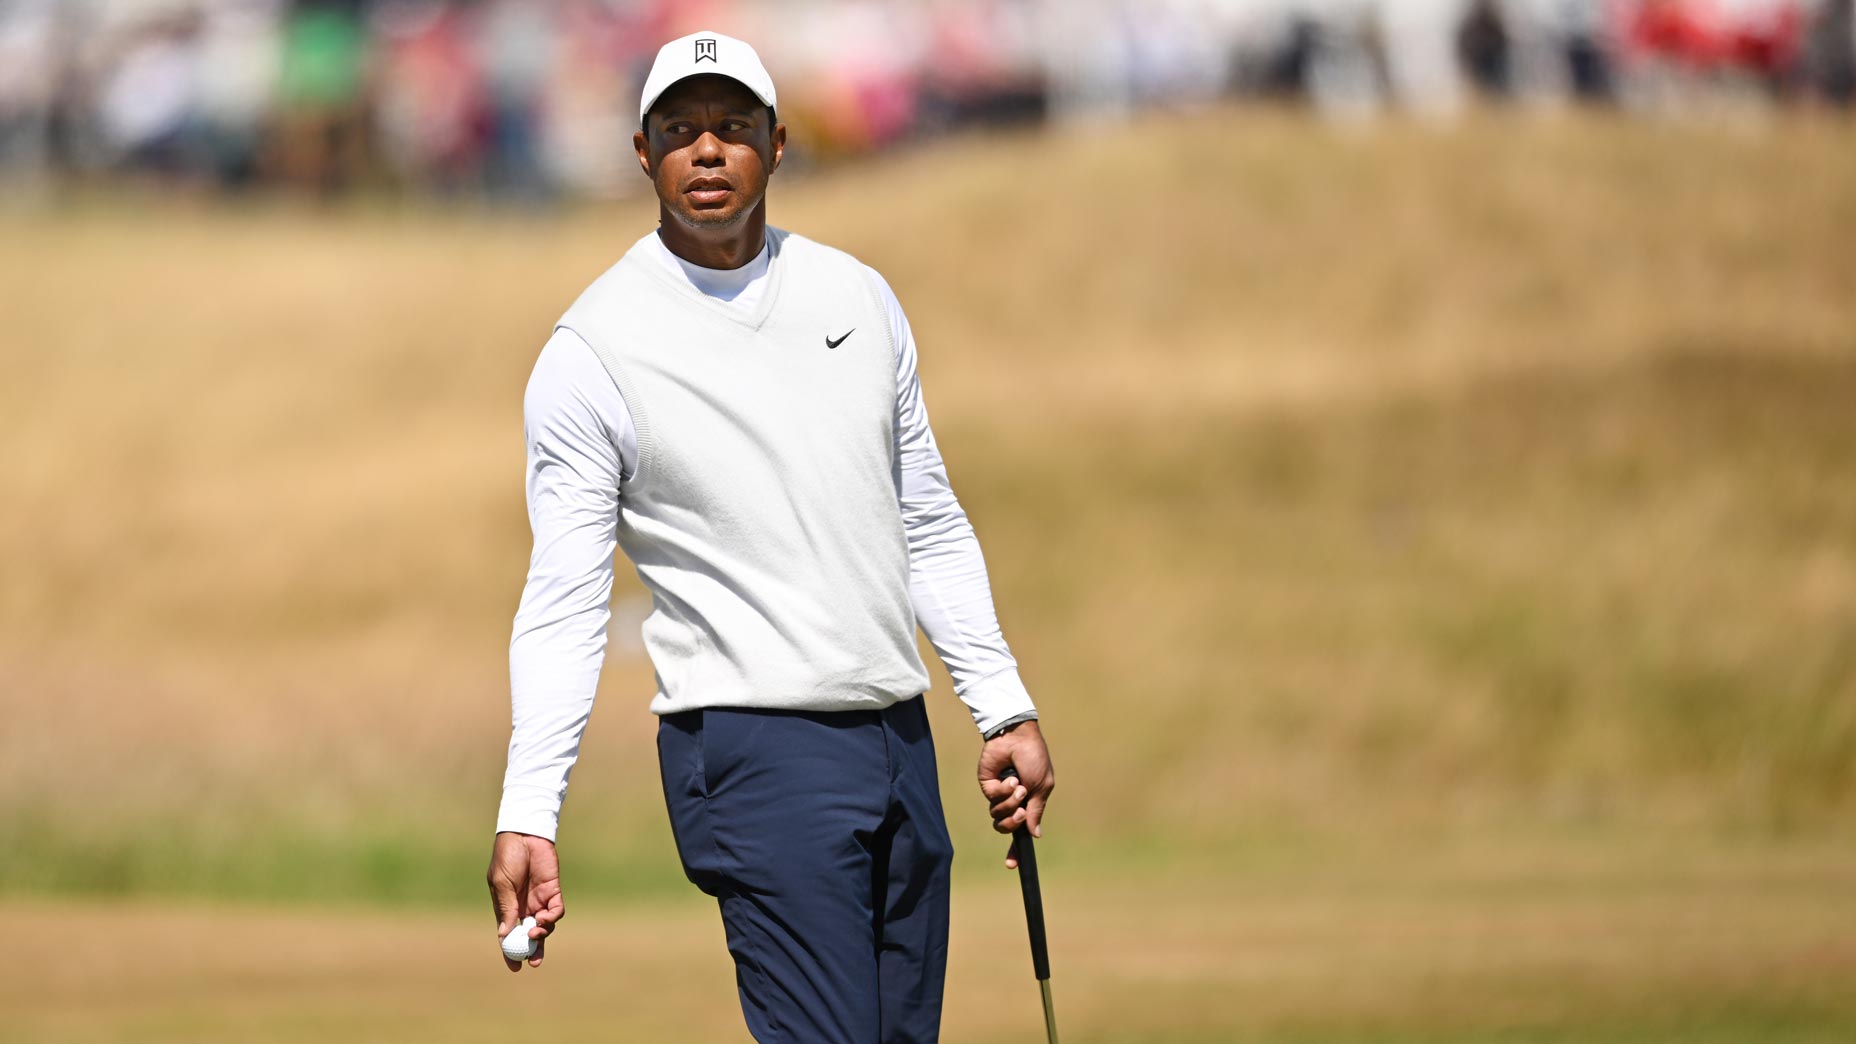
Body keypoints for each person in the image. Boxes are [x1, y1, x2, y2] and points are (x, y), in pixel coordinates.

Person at [484, 31, 1056, 1043]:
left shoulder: (856, 298)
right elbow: (565, 602)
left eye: (732, 128)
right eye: (680, 131)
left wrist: (999, 701)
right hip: (749, 748)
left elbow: (923, 514)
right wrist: (530, 808)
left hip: (895, 737)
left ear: (778, 145)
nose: (707, 152)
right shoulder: (593, 350)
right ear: (641, 151)